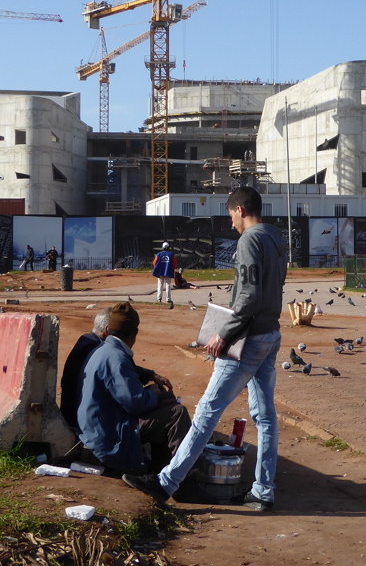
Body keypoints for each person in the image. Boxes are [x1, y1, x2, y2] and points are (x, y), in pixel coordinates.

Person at [124, 186, 287, 512]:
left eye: (230, 216)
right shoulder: (276, 237)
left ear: (240, 210)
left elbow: (249, 297)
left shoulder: (250, 240)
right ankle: (263, 491)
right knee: (266, 418)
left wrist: (223, 335)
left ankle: (165, 483)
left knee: (205, 416)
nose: (230, 224)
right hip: (270, 333)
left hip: (247, 339)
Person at [77, 303, 191, 473]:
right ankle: (178, 477)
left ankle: (159, 470)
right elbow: (136, 404)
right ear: (135, 333)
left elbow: (126, 383)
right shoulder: (116, 358)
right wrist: (153, 393)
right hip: (108, 436)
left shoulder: (105, 349)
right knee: (177, 414)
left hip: (102, 424)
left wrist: (151, 379)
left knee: (166, 401)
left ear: (109, 330)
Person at [60, 306, 172, 430]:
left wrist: (151, 375)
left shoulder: (90, 342)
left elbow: (123, 371)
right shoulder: (98, 349)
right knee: (172, 410)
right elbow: (133, 401)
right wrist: (153, 393)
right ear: (108, 331)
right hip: (92, 424)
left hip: (89, 416)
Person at [152, 241, 177, 306]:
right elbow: (174, 264)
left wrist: (158, 268)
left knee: (160, 285)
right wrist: (172, 269)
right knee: (168, 285)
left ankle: (159, 299)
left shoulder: (159, 254)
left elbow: (154, 263)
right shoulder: (171, 255)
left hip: (160, 272)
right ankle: (168, 299)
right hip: (168, 271)